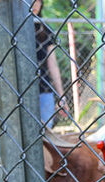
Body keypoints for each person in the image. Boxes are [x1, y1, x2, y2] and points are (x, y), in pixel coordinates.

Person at [32, 0, 68, 128]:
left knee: (46, 133)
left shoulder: (45, 29)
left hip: (44, 89)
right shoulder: (13, 28)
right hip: (20, 91)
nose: (35, 5)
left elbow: (53, 65)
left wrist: (61, 96)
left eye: (38, 1)